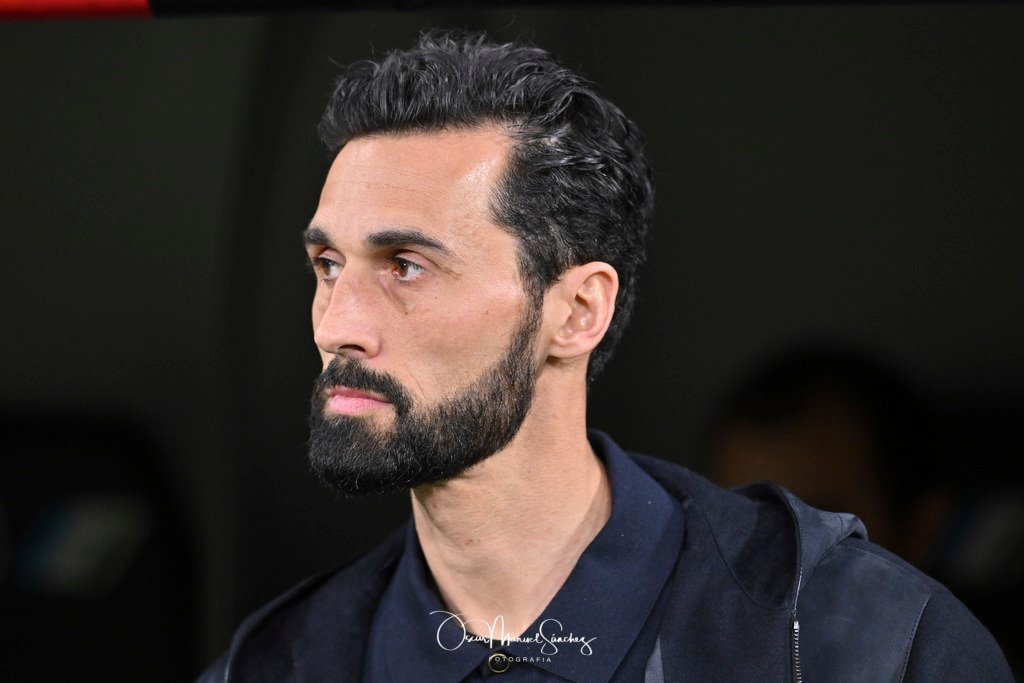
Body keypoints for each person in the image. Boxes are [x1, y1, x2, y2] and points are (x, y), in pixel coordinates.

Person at [200, 31, 1011, 681]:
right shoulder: (274, 665)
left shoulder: (864, 645)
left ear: (578, 310)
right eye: (327, 265)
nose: (336, 322)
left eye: (406, 265)